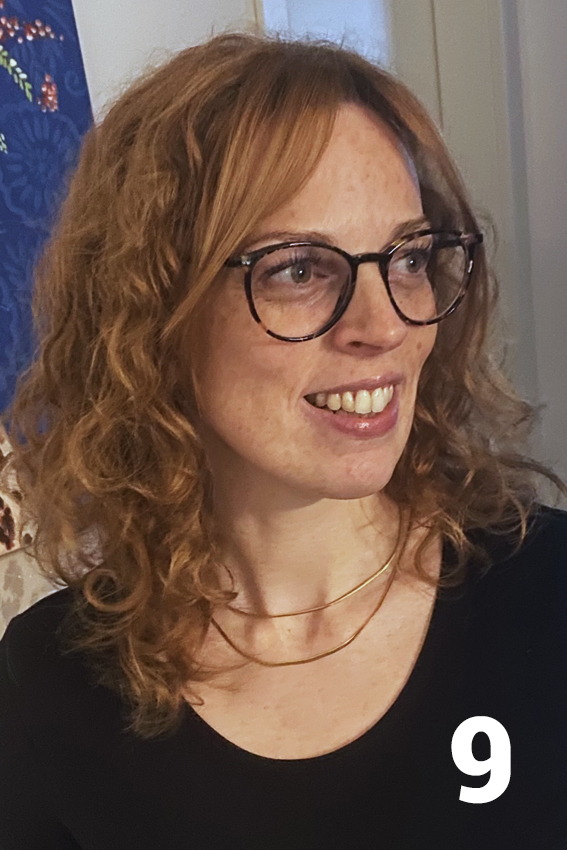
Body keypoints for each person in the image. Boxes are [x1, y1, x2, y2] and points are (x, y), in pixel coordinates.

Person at [0, 32, 566, 850]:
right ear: (154, 312)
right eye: (298, 269)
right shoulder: (54, 684)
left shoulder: (544, 598)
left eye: (408, 258)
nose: (384, 325)